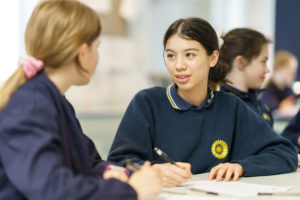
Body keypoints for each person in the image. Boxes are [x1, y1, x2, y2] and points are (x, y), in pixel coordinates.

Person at [108, 17, 298, 187]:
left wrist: (241, 167)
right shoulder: (147, 102)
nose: (179, 65)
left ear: (212, 58)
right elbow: (117, 163)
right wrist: (154, 170)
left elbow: (284, 153)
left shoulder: (232, 107)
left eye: (190, 55)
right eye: (171, 55)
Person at [0, 1, 162, 200]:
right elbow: (52, 190)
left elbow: (89, 159)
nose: (98, 54)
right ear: (83, 53)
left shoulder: (55, 100)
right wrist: (132, 192)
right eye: (97, 46)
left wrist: (106, 171)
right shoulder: (31, 103)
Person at [219, 28, 273, 127]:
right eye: (263, 61)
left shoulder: (261, 106)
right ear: (241, 62)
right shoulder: (224, 108)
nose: (267, 70)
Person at [260, 50, 299, 117]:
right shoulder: (267, 93)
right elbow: (275, 111)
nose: (294, 75)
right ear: (279, 69)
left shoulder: (287, 90)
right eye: (291, 70)